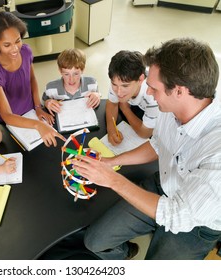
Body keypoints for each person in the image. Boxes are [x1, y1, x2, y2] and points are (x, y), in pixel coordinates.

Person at [72, 38, 221, 259]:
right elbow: (158, 145)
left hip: (195, 224)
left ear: (179, 91)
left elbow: (176, 215)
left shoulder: (216, 153)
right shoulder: (169, 108)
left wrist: (112, 180)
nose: (148, 94)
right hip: (164, 186)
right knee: (95, 241)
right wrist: (110, 162)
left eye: (153, 88)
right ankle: (125, 254)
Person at [0, 11, 65, 147]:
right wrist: (38, 125)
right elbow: (7, 116)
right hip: (11, 121)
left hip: (31, 111)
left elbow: (32, 79)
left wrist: (38, 107)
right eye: (7, 45)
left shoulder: (26, 51)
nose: (15, 49)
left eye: (18, 41)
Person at [106, 50, 159, 146]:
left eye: (125, 86)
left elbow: (145, 133)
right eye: (114, 84)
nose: (118, 92)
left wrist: (125, 108)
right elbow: (112, 103)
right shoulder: (119, 80)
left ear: (140, 79)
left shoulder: (153, 96)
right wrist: (111, 129)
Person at [42, 48, 101, 117]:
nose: (71, 79)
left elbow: (97, 98)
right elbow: (42, 104)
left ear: (82, 70)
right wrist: (46, 103)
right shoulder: (50, 88)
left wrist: (97, 95)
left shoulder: (92, 83)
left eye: (76, 74)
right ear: (60, 71)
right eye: (66, 74)